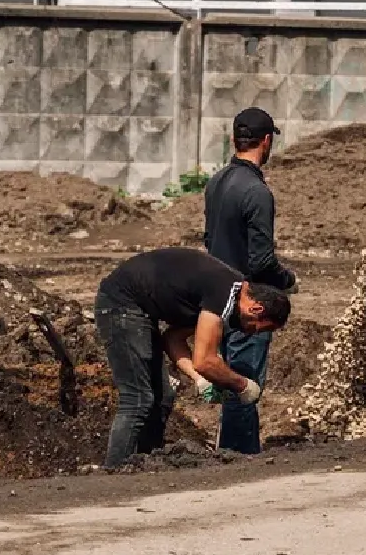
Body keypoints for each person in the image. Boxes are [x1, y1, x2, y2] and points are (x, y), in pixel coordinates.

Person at [93, 246, 290, 469]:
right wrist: (243, 386)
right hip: (121, 304)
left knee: (163, 397)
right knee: (137, 399)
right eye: (259, 328)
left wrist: (200, 379)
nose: (252, 333)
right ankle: (115, 472)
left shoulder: (223, 295)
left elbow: (173, 339)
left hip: (139, 310)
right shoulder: (225, 293)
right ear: (256, 308)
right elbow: (205, 361)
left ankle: (143, 466)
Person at [203, 106, 298, 455]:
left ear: (234, 139)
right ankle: (240, 458)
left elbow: (209, 238)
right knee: (244, 382)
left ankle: (227, 447)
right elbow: (261, 260)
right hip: (248, 303)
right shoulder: (257, 192)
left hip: (217, 297)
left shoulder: (217, 182)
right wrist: (287, 280)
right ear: (267, 140)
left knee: (229, 378)